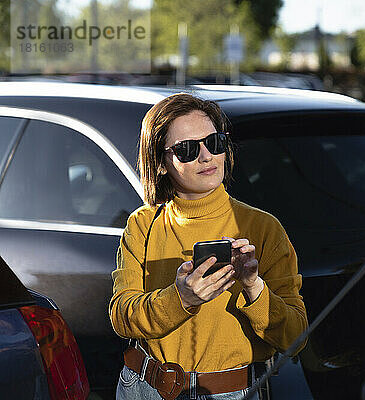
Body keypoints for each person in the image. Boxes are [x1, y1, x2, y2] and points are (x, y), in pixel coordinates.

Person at [109, 93, 308, 400]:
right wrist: (181, 298)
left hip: (228, 393)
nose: (206, 156)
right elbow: (122, 316)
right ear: (160, 163)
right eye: (187, 149)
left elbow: (296, 337)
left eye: (214, 142)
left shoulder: (263, 228)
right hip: (143, 387)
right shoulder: (142, 224)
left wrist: (253, 287)